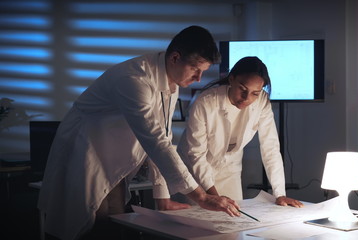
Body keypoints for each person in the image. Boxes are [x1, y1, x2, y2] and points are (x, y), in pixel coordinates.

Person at [37, 25, 240, 240]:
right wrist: (200, 196)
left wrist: (162, 196)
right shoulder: (134, 79)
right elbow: (155, 141)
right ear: (175, 58)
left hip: (109, 162)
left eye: (203, 71)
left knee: (115, 222)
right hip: (84, 155)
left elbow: (163, 134)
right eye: (195, 69)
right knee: (89, 226)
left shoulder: (170, 81)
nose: (199, 78)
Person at [151, 56, 303, 209]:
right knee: (197, 225)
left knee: (232, 224)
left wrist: (280, 194)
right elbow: (196, 155)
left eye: (254, 93)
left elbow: (270, 148)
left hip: (230, 170)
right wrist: (213, 198)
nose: (246, 98)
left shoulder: (262, 101)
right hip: (195, 173)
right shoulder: (205, 102)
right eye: (242, 89)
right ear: (231, 79)